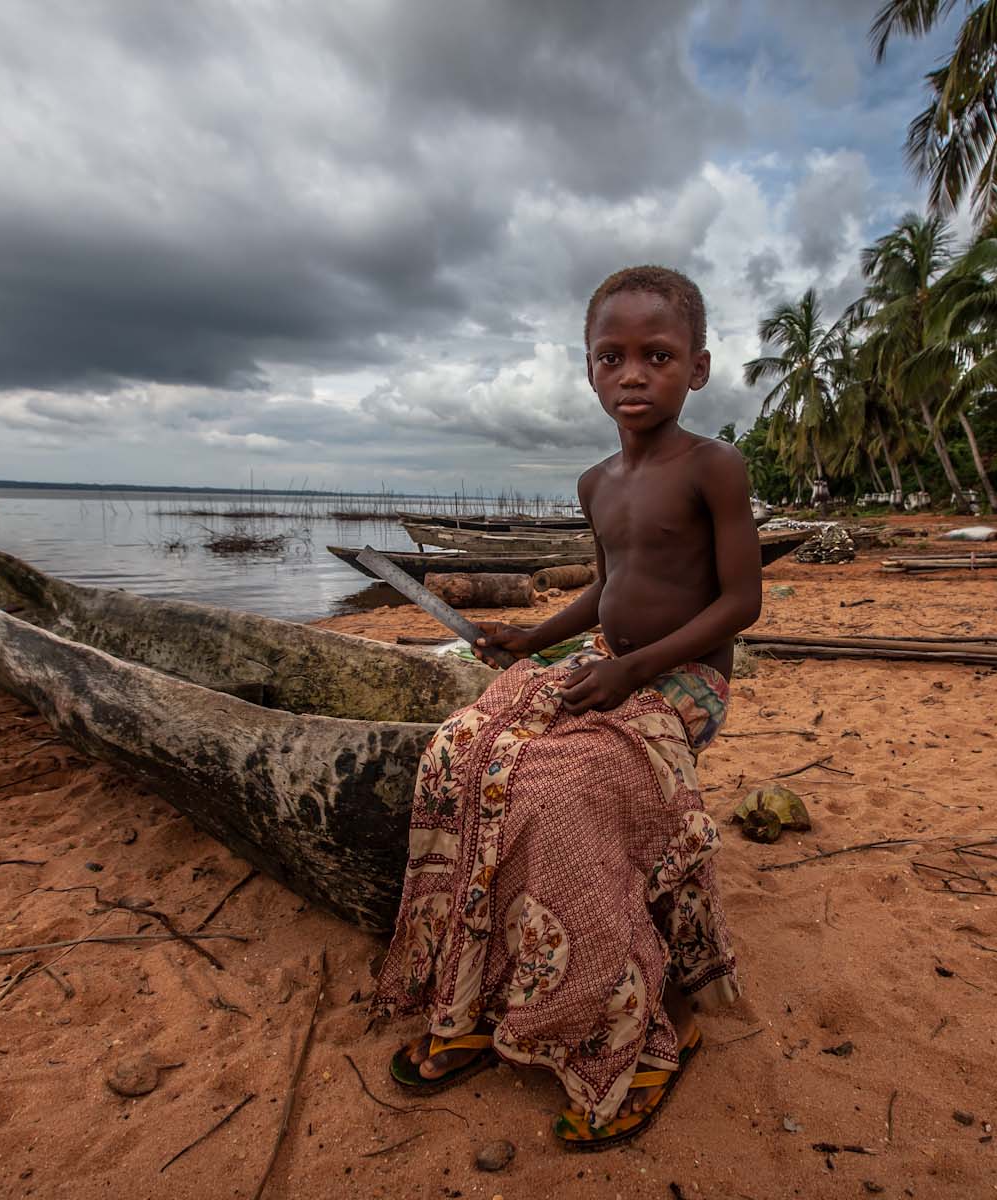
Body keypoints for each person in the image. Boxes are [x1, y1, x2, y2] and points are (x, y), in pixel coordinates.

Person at [371, 265, 761, 1150]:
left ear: (697, 369)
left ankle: (646, 1035)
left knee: (556, 795)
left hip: (684, 679)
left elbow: (741, 604)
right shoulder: (596, 483)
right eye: (611, 357)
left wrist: (638, 674)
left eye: (656, 356)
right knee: (460, 754)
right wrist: (529, 637)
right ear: (588, 371)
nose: (633, 374)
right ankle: (473, 998)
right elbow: (607, 589)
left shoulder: (714, 467)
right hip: (609, 663)